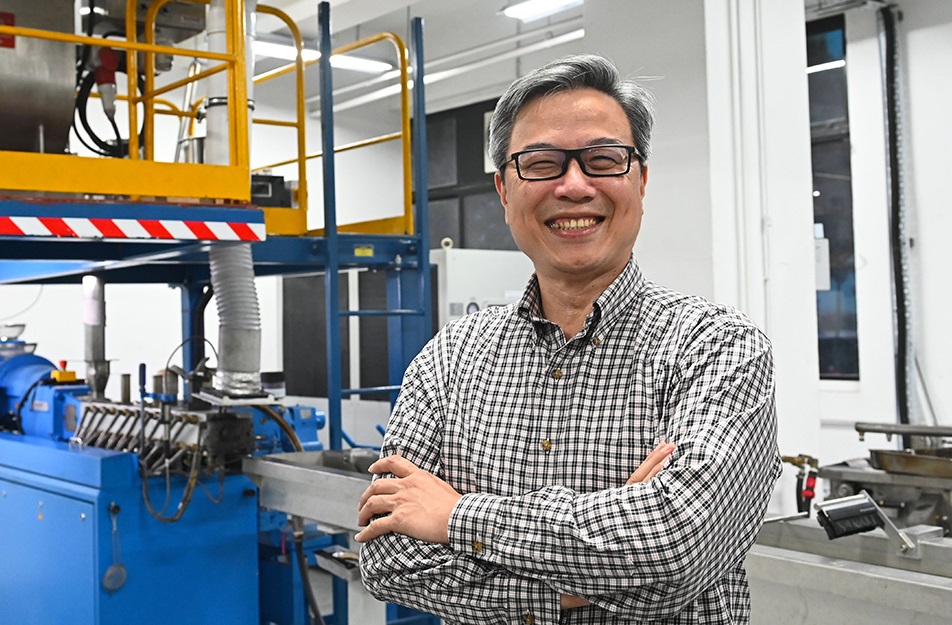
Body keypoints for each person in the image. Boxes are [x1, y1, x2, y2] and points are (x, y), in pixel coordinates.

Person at [355, 53, 781, 625]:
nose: (575, 186)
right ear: (504, 190)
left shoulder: (719, 349)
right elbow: (390, 561)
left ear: (641, 180)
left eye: (603, 160)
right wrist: (612, 557)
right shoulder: (449, 360)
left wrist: (456, 517)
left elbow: (677, 546)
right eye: (541, 164)